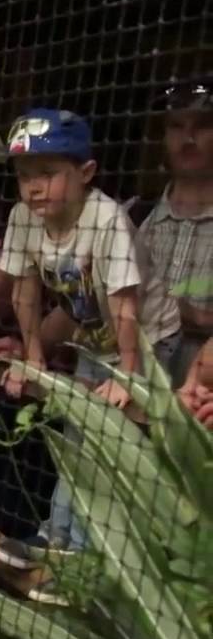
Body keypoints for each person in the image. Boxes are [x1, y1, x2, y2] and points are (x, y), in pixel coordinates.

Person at [0, 108, 181, 560]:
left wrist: (129, 375)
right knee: (76, 439)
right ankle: (56, 541)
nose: (34, 186)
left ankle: (88, 557)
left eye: (49, 173)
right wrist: (33, 358)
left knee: (113, 449)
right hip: (95, 342)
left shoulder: (106, 219)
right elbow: (24, 291)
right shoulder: (23, 217)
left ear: (86, 172)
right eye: (24, 175)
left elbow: (126, 305)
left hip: (148, 343)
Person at [136, 75, 213, 422]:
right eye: (176, 126)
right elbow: (87, 301)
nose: (188, 138)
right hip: (129, 409)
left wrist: (186, 314)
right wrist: (31, 343)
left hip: (200, 412)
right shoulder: (133, 216)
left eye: (202, 125)